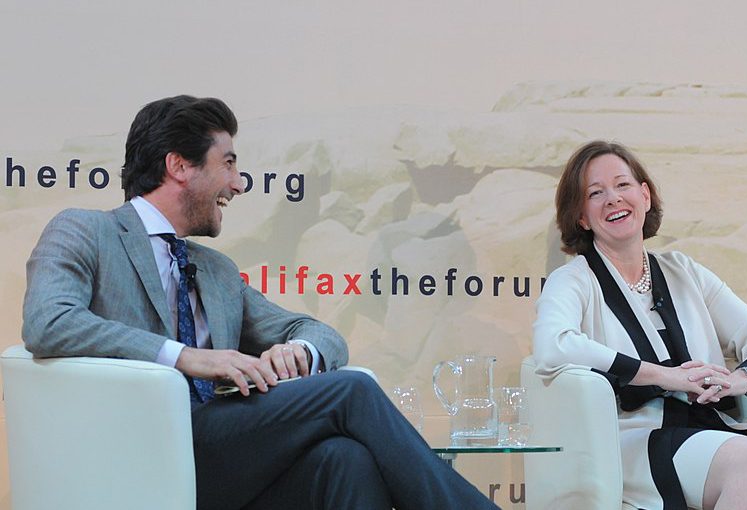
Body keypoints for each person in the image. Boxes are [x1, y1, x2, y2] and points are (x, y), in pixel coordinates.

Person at [22, 95, 499, 510]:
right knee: (351, 391)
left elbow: (320, 334)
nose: (240, 183)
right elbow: (49, 322)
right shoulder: (87, 230)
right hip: (136, 452)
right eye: (228, 163)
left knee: (344, 459)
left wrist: (301, 352)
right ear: (180, 166)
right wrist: (185, 358)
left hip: (217, 457)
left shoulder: (216, 272)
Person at [533, 140, 747, 510]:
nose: (613, 198)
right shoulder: (574, 280)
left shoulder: (684, 271)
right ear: (581, 216)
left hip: (707, 426)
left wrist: (740, 380)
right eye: (596, 193)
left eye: (623, 185)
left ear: (644, 195)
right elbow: (552, 347)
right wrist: (663, 375)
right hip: (631, 440)